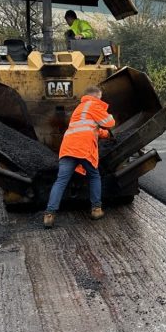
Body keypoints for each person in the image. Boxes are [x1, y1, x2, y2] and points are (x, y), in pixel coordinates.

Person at [44, 86, 115, 228]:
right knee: (94, 175)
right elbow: (109, 123)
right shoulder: (93, 104)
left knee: (61, 181)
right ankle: (96, 209)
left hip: (68, 147)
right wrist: (110, 119)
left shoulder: (79, 109)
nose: (101, 100)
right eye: (100, 98)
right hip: (83, 148)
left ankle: (49, 215)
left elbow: (89, 127)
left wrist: (106, 135)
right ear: (95, 97)